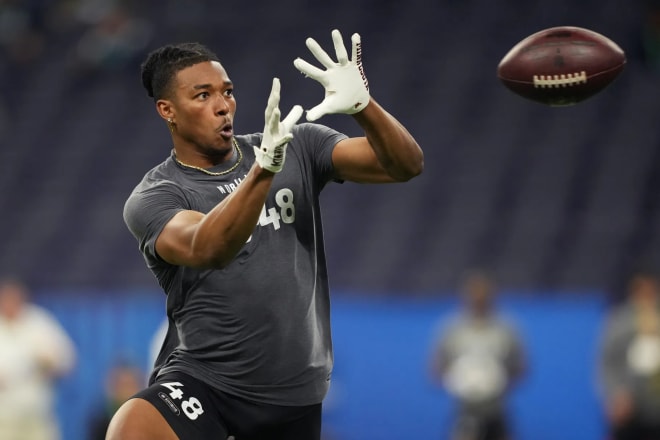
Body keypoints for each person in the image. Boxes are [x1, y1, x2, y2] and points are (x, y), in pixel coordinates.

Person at [108, 28, 423, 440]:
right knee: (134, 428)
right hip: (207, 382)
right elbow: (210, 245)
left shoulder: (297, 147)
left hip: (294, 396)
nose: (223, 106)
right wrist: (262, 172)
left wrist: (365, 107)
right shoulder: (156, 196)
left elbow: (404, 165)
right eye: (203, 96)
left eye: (227, 91)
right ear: (168, 110)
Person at [428, 269, 526, 440]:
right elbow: (436, 369)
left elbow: (521, 367)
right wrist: (457, 380)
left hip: (497, 411)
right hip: (464, 411)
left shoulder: (506, 328)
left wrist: (498, 382)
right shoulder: (451, 329)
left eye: (483, 292)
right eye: (474, 292)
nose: (478, 297)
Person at [0, 277, 76, 440]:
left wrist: (48, 365)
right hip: (4, 418)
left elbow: (67, 360)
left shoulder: (39, 323)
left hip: (37, 416)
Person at [598, 270, 660, 440]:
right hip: (629, 405)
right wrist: (615, 394)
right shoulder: (620, 321)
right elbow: (607, 362)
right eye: (641, 289)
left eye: (650, 289)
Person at [87, 360, 144, 440]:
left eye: (130, 385)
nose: (126, 392)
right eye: (122, 385)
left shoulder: (147, 421)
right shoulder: (100, 424)